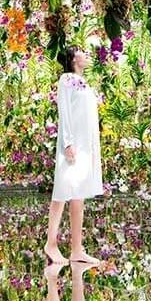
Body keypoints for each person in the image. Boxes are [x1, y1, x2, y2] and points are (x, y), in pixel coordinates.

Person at [45, 47, 103, 265]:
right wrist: (68, 142)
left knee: (77, 195)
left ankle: (77, 248)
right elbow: (65, 111)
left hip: (85, 146)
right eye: (81, 52)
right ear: (72, 59)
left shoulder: (84, 83)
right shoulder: (66, 79)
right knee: (62, 192)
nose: (86, 55)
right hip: (72, 144)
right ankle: (51, 243)